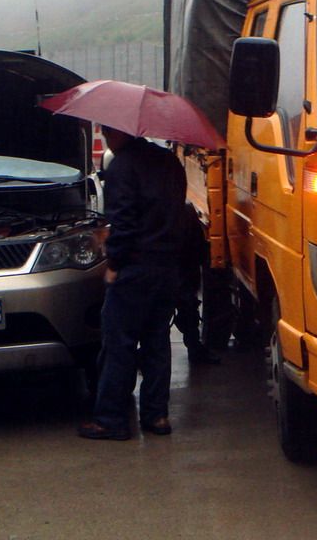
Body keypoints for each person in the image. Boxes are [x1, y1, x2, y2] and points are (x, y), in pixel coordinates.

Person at [78, 126, 187, 440]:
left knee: (119, 344)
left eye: (107, 130)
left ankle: (111, 419)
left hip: (135, 268)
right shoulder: (169, 162)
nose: (105, 134)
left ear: (121, 131)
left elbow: (124, 223)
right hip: (166, 267)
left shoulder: (122, 166)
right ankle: (157, 416)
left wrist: (114, 263)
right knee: (156, 342)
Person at [174, 202, 220, 365]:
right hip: (182, 271)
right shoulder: (185, 211)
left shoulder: (144, 210)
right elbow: (198, 250)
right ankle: (194, 348)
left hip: (162, 271)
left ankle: (146, 355)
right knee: (188, 308)